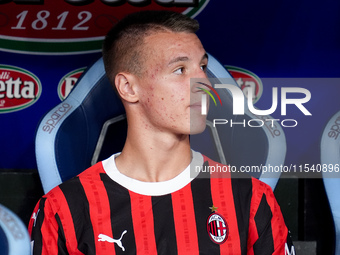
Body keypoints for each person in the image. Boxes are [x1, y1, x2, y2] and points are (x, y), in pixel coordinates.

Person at [29, 10, 295, 255]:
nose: (203, 83)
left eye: (202, 67)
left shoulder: (251, 198)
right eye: (180, 69)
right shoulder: (61, 209)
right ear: (128, 88)